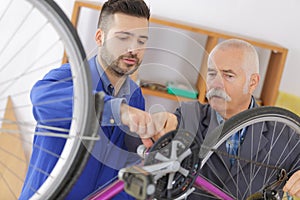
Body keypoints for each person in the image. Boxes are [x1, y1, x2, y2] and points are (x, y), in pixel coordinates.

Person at [123, 38, 300, 199]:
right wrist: (151, 125)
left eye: (228, 75)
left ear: (252, 82)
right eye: (212, 73)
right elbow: (147, 138)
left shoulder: (284, 132)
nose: (216, 83)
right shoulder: (188, 116)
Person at [19, 0, 151, 199]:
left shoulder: (135, 97)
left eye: (141, 41)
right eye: (123, 38)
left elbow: (126, 165)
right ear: (100, 37)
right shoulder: (70, 77)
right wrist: (118, 111)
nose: (133, 49)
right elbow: (41, 102)